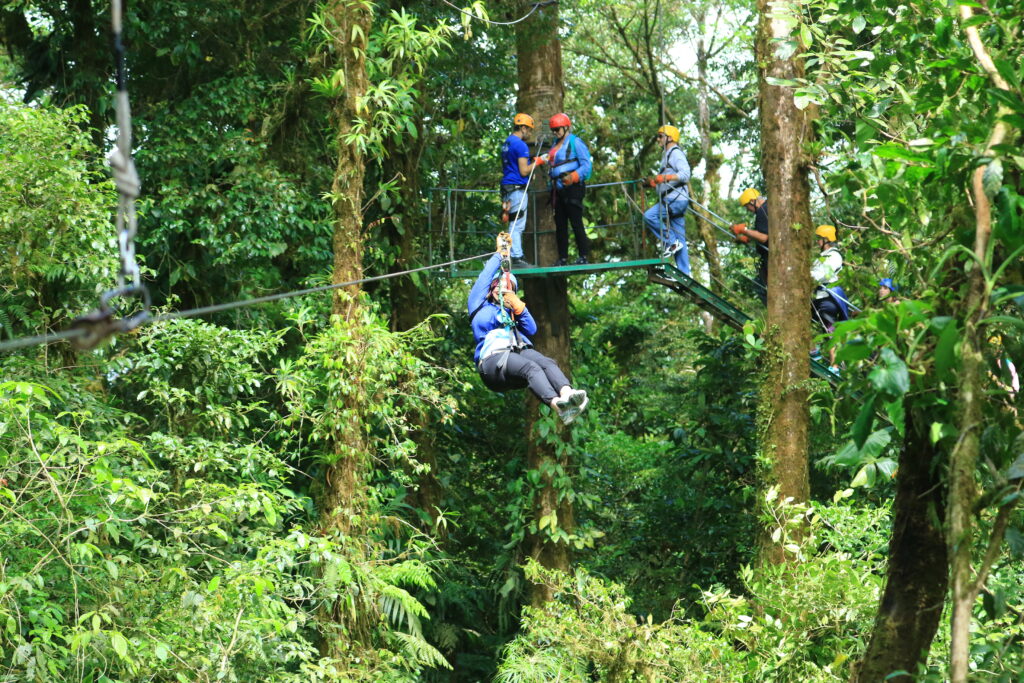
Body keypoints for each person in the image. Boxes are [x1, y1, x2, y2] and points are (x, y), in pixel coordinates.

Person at [469, 235, 590, 424]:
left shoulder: (512, 312)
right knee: (530, 367)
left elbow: (532, 330)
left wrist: (518, 307)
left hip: (514, 356)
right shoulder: (479, 305)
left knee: (547, 362)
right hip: (492, 363)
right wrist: (501, 254)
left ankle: (568, 395)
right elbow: (485, 276)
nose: (504, 290)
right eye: (501, 286)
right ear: (492, 288)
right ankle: (559, 407)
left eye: (510, 288)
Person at [642, 125, 692, 275]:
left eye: (660, 136)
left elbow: (685, 174)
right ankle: (684, 273)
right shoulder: (667, 154)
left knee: (649, 216)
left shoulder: (675, 153)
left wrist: (666, 177)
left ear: (670, 138)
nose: (658, 139)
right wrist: (654, 183)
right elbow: (667, 177)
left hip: (674, 200)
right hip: (675, 199)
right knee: (680, 239)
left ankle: (670, 242)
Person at [501, 113, 547, 268]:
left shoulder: (507, 143)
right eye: (529, 130)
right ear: (522, 128)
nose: (530, 134)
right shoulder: (520, 145)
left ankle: (514, 255)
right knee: (517, 224)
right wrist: (539, 161)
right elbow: (524, 171)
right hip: (516, 189)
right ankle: (516, 257)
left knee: (513, 222)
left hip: (507, 188)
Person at [547, 113, 592, 266]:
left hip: (573, 188)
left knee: (576, 222)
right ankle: (563, 258)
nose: (555, 133)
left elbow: (586, 165)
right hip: (557, 189)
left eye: (557, 129)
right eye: (553, 130)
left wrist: (573, 176)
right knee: (560, 225)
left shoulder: (575, 142)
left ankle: (583, 256)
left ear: (566, 127)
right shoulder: (554, 145)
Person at [810, 224, 849, 371]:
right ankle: (813, 350)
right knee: (803, 319)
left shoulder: (834, 256)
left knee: (829, 329)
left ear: (826, 239)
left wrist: (808, 276)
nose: (817, 241)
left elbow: (824, 274)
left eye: (819, 238)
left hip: (828, 297)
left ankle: (835, 366)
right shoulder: (823, 256)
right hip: (818, 297)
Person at [732, 188, 769, 302]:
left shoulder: (763, 211)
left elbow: (764, 237)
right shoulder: (768, 207)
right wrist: (747, 238)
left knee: (761, 288)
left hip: (770, 258)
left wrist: (743, 230)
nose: (748, 210)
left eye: (747, 206)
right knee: (760, 285)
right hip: (770, 256)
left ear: (752, 201)